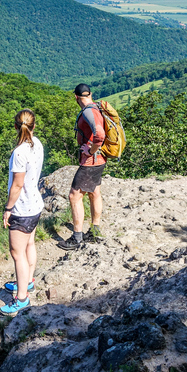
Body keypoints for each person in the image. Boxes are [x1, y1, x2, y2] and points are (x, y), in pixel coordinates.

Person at [0, 109, 44, 315]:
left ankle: (22, 299)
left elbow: (17, 186)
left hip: (22, 209)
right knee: (30, 245)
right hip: (35, 204)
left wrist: (8, 209)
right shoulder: (38, 145)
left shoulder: (19, 153)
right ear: (34, 126)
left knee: (17, 254)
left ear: (16, 127)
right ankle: (27, 282)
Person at [57, 83, 105, 250]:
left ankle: (77, 237)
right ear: (90, 94)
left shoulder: (88, 112)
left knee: (74, 196)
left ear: (76, 97)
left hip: (91, 162)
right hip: (101, 160)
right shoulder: (97, 107)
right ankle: (95, 230)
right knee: (94, 192)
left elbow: (99, 134)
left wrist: (90, 150)